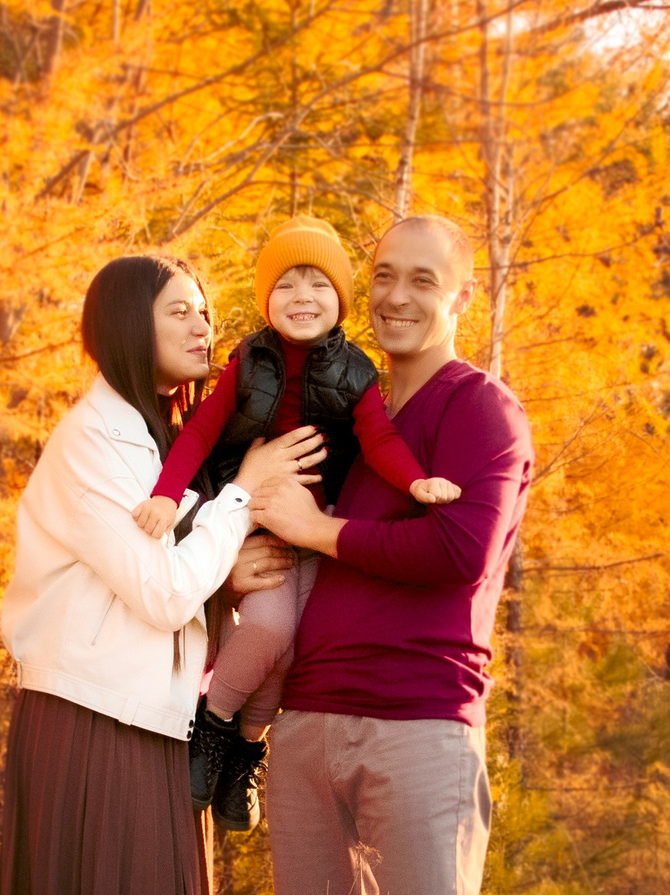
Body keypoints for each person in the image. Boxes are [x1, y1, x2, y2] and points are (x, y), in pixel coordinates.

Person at [0, 252, 321, 895]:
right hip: (94, 725)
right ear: (125, 326)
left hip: (143, 722)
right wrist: (244, 502)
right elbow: (154, 590)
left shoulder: (154, 437)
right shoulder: (93, 439)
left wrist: (233, 565)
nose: (202, 322)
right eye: (179, 310)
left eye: (206, 310)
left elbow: (177, 581)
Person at [245, 213, 538, 895]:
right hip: (310, 718)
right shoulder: (343, 403)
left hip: (423, 725)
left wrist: (316, 530)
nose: (397, 295)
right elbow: (257, 510)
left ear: (461, 290)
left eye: (423, 278)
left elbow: (455, 550)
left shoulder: (482, 413)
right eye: (383, 277)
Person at [127, 216, 461, 832]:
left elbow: (378, 437)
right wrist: (167, 496)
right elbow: (200, 432)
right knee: (266, 631)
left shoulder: (357, 372)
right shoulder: (247, 360)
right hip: (252, 517)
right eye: (286, 284)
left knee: (290, 652)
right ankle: (213, 726)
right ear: (266, 300)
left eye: (318, 284)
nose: (302, 297)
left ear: (340, 299)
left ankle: (245, 753)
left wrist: (415, 480)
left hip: (316, 525)